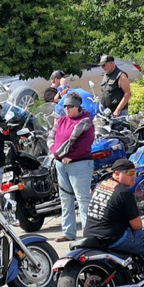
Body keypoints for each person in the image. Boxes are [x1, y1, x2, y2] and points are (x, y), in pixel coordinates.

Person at [82, 157, 144, 267]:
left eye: (134, 172)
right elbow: (137, 226)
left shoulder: (101, 185)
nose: (133, 176)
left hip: (91, 234)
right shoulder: (124, 192)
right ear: (117, 174)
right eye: (129, 173)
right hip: (113, 238)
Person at [48, 91, 96, 243]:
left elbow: (85, 143)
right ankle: (68, 232)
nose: (67, 109)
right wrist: (58, 155)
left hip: (79, 164)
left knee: (82, 199)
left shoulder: (86, 121)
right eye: (65, 106)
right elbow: (51, 138)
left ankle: (89, 234)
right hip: (61, 163)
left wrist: (71, 156)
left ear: (77, 107)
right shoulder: (61, 120)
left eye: (70, 107)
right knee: (65, 199)